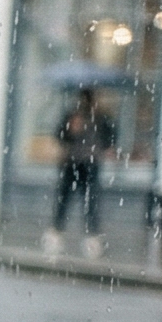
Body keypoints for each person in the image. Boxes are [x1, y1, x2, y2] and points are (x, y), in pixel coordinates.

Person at [49, 87, 116, 256]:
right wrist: (71, 130)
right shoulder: (72, 116)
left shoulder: (101, 118)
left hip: (90, 163)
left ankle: (91, 236)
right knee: (65, 198)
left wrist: (104, 148)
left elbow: (110, 137)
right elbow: (60, 135)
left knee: (90, 200)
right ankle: (57, 231)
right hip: (72, 163)